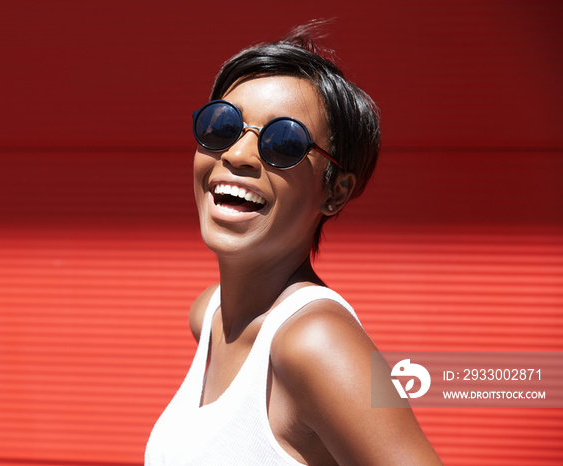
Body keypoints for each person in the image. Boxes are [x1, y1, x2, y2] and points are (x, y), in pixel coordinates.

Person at [146, 21, 442, 465]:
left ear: (334, 191)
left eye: (284, 142)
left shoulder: (316, 343)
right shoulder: (210, 315)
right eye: (222, 125)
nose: (238, 155)